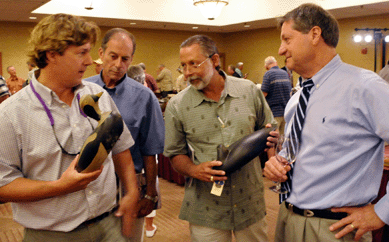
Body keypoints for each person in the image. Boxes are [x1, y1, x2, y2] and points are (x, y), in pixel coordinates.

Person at [0, 13, 139, 241]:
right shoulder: (10, 114)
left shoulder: (99, 96)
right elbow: (3, 185)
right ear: (52, 54)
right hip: (51, 234)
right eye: (82, 52)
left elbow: (121, 147)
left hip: (109, 224)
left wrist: (132, 191)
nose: (90, 61)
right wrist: (59, 187)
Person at [263, 3, 389, 242]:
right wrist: (276, 165)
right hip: (287, 218)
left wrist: (382, 212)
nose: (281, 50)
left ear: (314, 34)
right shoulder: (298, 96)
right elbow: (297, 152)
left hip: (335, 229)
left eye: (287, 39)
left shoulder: (364, 86)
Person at [163, 34, 277, 242]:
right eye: (183, 66)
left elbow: (268, 129)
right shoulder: (177, 106)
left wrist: (272, 153)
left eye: (194, 64)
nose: (188, 73)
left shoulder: (249, 91)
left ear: (215, 61)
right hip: (206, 208)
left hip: (249, 201)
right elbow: (175, 153)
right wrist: (194, 169)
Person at [85, 27, 165, 242]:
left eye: (125, 59)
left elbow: (151, 150)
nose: (118, 64)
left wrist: (150, 193)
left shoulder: (145, 97)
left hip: (129, 186)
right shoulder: (83, 90)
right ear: (101, 54)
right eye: (113, 56)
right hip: (89, 184)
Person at [261, 56, 291, 135]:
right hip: (286, 112)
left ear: (266, 66)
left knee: (274, 140)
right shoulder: (285, 73)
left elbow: (263, 94)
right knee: (282, 139)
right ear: (276, 63)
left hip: (274, 114)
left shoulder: (268, 74)